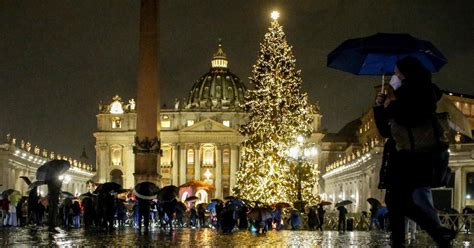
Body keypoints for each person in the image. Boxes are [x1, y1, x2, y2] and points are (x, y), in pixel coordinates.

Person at [373, 56, 456, 247]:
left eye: (397, 72)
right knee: (398, 201)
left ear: (405, 73)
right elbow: (388, 129)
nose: (395, 76)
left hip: (411, 157)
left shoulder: (417, 92)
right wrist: (380, 107)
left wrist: (390, 103)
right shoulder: (418, 91)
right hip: (412, 156)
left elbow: (405, 119)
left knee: (397, 201)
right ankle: (435, 233)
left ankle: (430, 234)